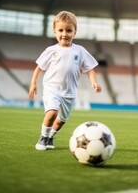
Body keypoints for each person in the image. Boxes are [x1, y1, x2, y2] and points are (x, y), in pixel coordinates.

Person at [29, 10, 102, 151]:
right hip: (52, 89)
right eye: (60, 30)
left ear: (75, 32)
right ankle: (43, 137)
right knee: (52, 112)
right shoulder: (51, 50)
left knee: (61, 120)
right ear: (54, 31)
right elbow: (39, 68)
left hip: (69, 92)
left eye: (69, 30)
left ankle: (50, 138)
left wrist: (94, 81)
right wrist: (33, 83)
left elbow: (89, 69)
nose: (64, 34)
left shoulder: (80, 51)